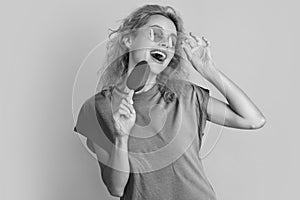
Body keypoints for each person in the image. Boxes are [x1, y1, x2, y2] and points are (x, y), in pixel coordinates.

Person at [73, 4, 266, 200]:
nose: (165, 43)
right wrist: (121, 137)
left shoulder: (185, 95)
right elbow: (116, 188)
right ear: (128, 39)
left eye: (172, 41)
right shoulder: (96, 108)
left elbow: (253, 120)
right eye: (155, 35)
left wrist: (209, 70)